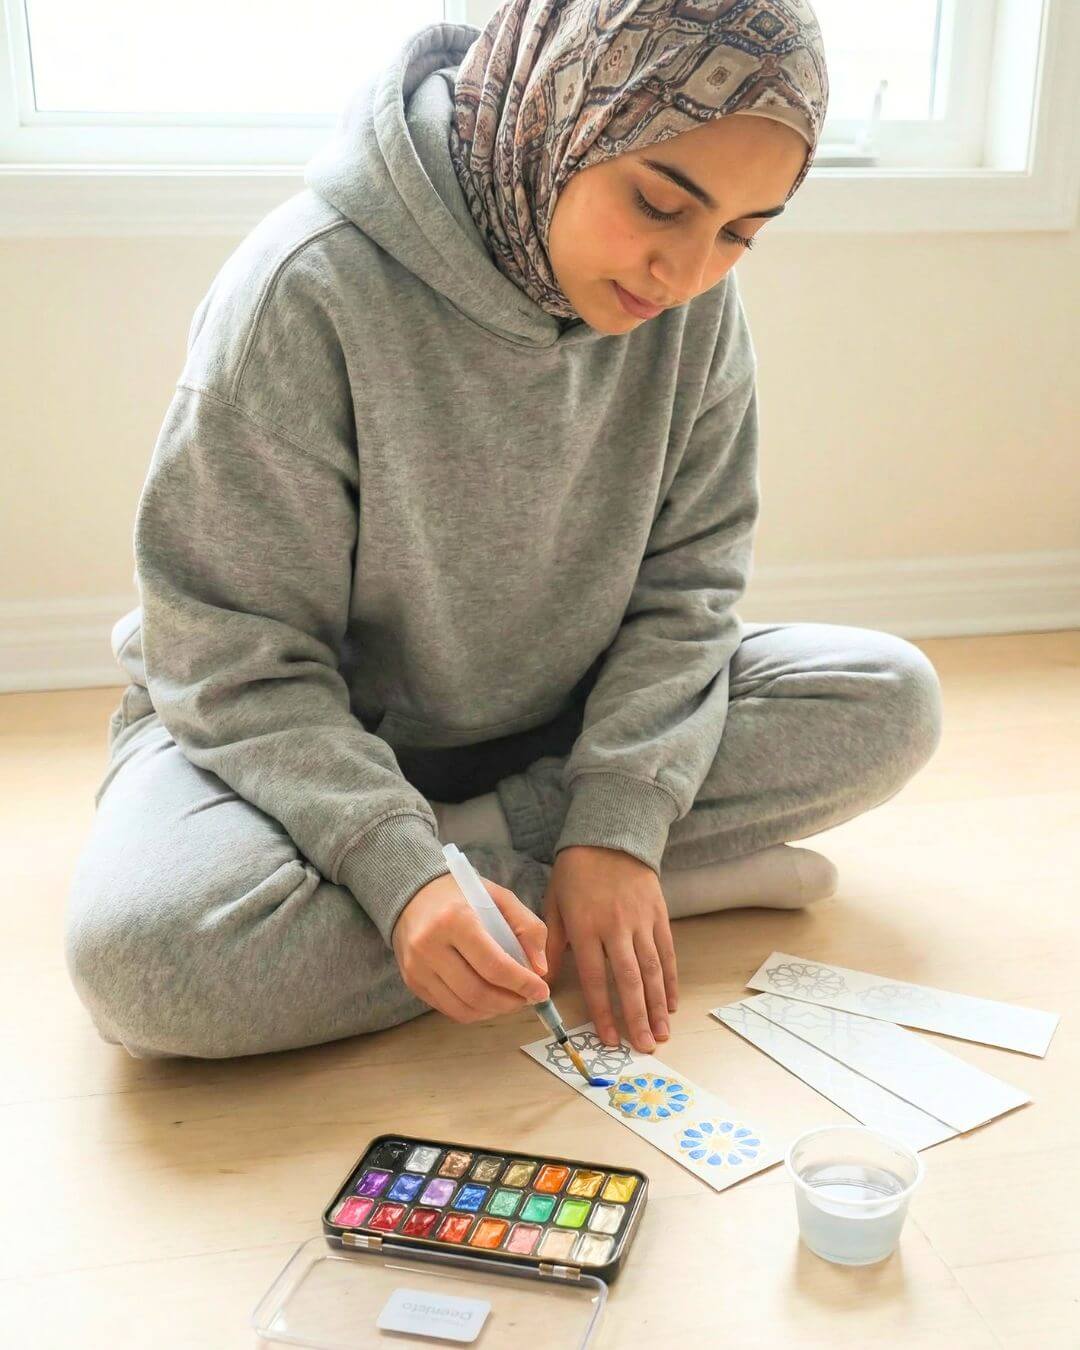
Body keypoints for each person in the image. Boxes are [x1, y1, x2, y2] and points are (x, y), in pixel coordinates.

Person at [65, 0, 942, 1062]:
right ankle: (633, 892)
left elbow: (689, 591)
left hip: (555, 730)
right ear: (560, 107)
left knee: (888, 699)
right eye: (661, 203)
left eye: (741, 235)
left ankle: (551, 880)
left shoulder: (693, 309)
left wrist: (618, 817)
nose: (686, 272)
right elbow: (230, 661)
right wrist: (395, 867)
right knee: (151, 963)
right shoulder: (306, 289)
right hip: (289, 747)